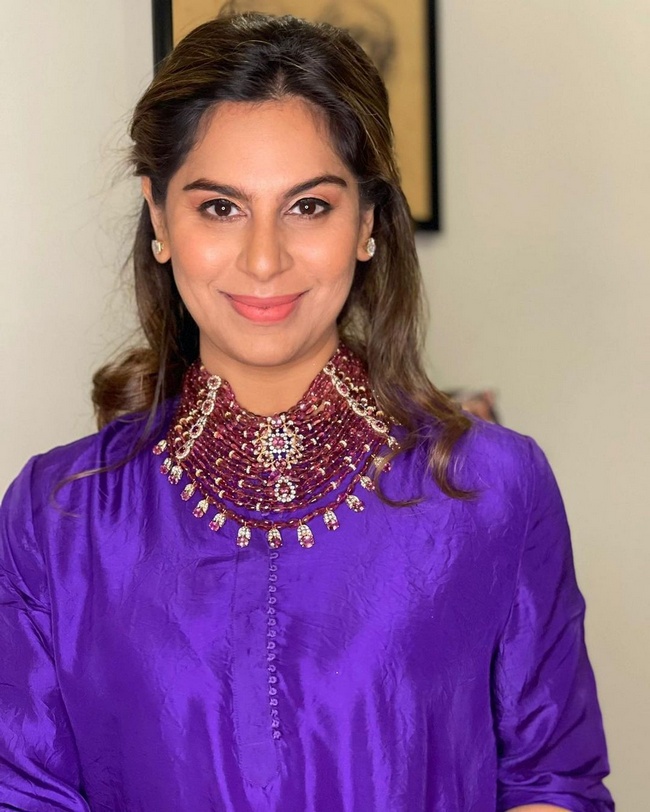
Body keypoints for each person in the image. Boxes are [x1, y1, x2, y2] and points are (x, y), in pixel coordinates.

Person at [0, 11, 614, 812]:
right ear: (158, 217)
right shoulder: (59, 517)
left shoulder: (491, 487)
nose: (265, 259)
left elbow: (552, 784)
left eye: (309, 207)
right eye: (220, 208)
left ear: (367, 222)